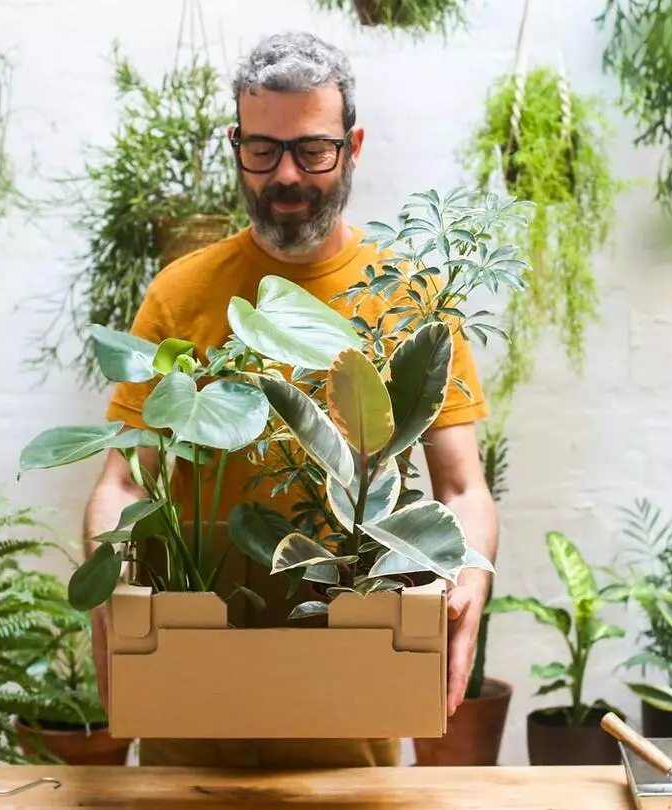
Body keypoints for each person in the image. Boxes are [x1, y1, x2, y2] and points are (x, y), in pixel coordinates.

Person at [82, 30, 498, 768]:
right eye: (263, 150)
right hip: (190, 705)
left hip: (354, 712)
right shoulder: (180, 294)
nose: (286, 176)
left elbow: (464, 488)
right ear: (235, 143)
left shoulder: (407, 298)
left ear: (353, 144)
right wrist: (108, 590)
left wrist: (469, 587)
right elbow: (119, 481)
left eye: (312, 150)